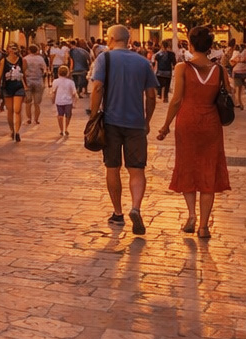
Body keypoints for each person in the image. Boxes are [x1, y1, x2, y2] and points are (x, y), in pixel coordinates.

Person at [155, 26, 230, 239]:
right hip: (211, 123)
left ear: (190, 43)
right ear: (210, 45)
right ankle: (204, 226)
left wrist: (166, 125)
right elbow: (227, 93)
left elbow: (177, 99)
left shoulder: (182, 68)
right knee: (208, 169)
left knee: (187, 165)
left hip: (187, 121)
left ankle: (191, 215)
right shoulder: (219, 70)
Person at [87, 24, 159, 235]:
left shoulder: (105, 58)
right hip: (135, 123)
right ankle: (135, 207)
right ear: (128, 39)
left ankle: (118, 212)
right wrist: (147, 121)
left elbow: (98, 88)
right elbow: (152, 96)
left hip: (111, 122)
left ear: (110, 38)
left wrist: (93, 116)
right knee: (137, 169)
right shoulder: (143, 61)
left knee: (113, 167)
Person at [0, 45, 27, 142]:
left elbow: (23, 74)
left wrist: (26, 86)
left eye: (15, 48)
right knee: (10, 110)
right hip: (7, 87)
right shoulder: (4, 61)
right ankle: (12, 130)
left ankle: (17, 132)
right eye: (11, 48)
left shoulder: (21, 60)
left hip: (19, 87)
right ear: (8, 50)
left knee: (17, 109)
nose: (13, 50)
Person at [22, 45, 49, 127]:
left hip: (28, 81)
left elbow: (22, 70)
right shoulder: (40, 59)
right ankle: (36, 120)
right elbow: (45, 70)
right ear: (37, 50)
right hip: (38, 81)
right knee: (37, 103)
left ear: (29, 50)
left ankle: (29, 119)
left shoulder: (25, 59)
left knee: (28, 102)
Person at [51, 66, 77, 138]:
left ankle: (61, 130)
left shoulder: (55, 81)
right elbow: (74, 93)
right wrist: (74, 102)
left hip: (59, 101)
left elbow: (53, 92)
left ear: (58, 73)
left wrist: (52, 100)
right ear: (68, 73)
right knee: (68, 116)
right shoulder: (71, 82)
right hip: (68, 101)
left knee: (60, 116)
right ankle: (66, 128)